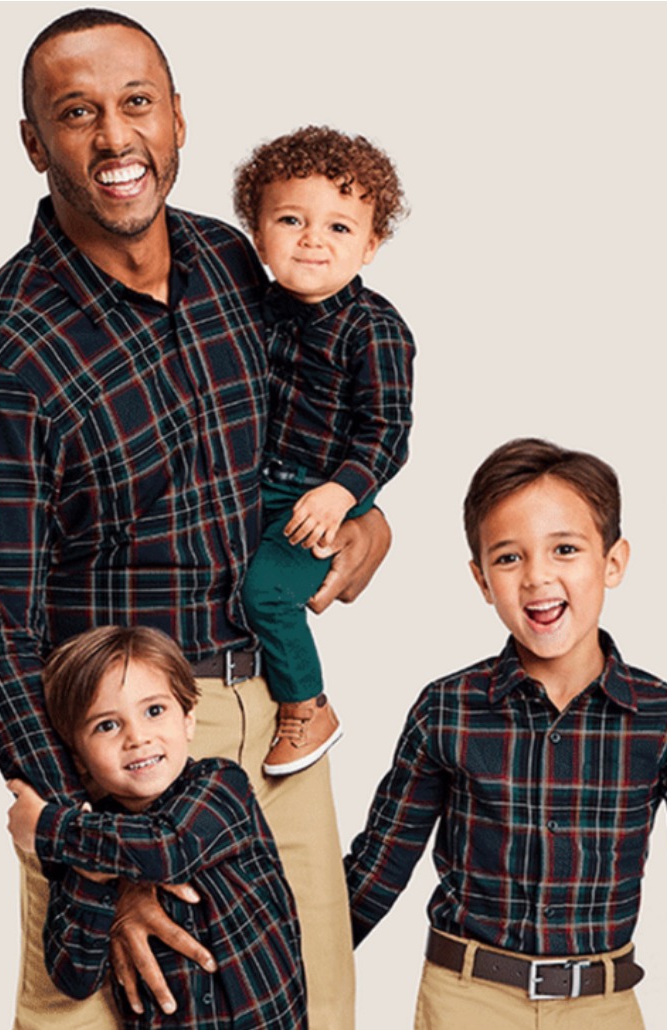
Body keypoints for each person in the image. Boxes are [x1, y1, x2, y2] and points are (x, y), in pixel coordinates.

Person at [0, 9, 386, 1028]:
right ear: (32, 142)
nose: (114, 138)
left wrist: (366, 522)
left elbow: (306, 449)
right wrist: (99, 858)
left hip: (273, 723)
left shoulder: (238, 266)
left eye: (136, 104)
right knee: (97, 1011)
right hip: (124, 762)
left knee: (315, 1007)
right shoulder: (3, 352)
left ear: (179, 119)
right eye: (77, 112)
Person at [343, 438, 667, 1029]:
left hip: (602, 1006)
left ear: (612, 562)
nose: (538, 577)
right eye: (509, 558)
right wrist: (284, 970)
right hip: (467, 1001)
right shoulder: (448, 710)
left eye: (565, 549)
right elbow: (375, 872)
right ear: (482, 579)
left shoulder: (664, 719)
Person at [6, 625, 307, 1028]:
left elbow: (168, 849)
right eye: (107, 725)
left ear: (187, 720)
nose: (137, 737)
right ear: (78, 756)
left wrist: (48, 829)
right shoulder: (92, 842)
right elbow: (74, 976)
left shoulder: (220, 786)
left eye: (154, 711)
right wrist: (89, 878)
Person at [233, 126, 415, 777]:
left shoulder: (375, 330)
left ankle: (308, 707)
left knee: (267, 593)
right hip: (256, 480)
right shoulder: (249, 308)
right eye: (291, 220)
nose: (313, 239)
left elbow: (387, 431)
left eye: (340, 228)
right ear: (257, 233)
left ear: (370, 244)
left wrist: (343, 496)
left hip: (325, 489)